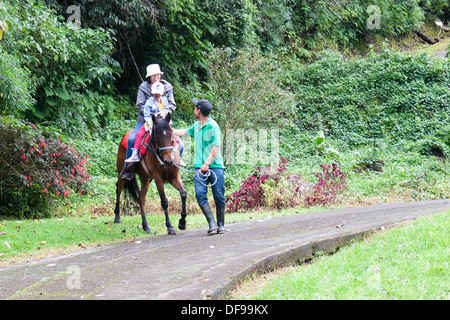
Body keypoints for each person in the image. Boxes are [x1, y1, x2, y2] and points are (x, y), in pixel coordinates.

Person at [172, 99, 226, 235]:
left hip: (215, 166)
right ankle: (212, 224)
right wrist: (169, 131)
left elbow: (216, 146)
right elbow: (184, 132)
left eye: (195, 108)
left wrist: (207, 163)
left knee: (218, 195)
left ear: (199, 111)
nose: (193, 110)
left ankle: (221, 225)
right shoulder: (196, 126)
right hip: (199, 167)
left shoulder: (213, 126)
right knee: (200, 195)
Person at [121, 64, 177, 180]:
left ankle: (176, 163)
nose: (156, 77)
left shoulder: (167, 87)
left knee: (177, 140)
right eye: (153, 75)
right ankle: (128, 168)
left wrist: (165, 112)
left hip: (164, 122)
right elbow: (140, 105)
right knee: (132, 138)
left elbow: (172, 104)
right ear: (149, 77)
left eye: (157, 74)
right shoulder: (143, 87)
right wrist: (152, 115)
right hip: (145, 119)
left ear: (160, 75)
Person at [125, 81, 168, 163]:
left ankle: (176, 155)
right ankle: (135, 153)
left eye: (158, 94)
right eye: (155, 94)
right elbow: (146, 113)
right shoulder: (149, 101)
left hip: (163, 125)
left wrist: (164, 114)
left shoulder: (165, 101)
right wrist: (150, 123)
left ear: (162, 93)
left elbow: (167, 111)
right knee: (139, 134)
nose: (157, 95)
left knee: (172, 135)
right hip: (151, 123)